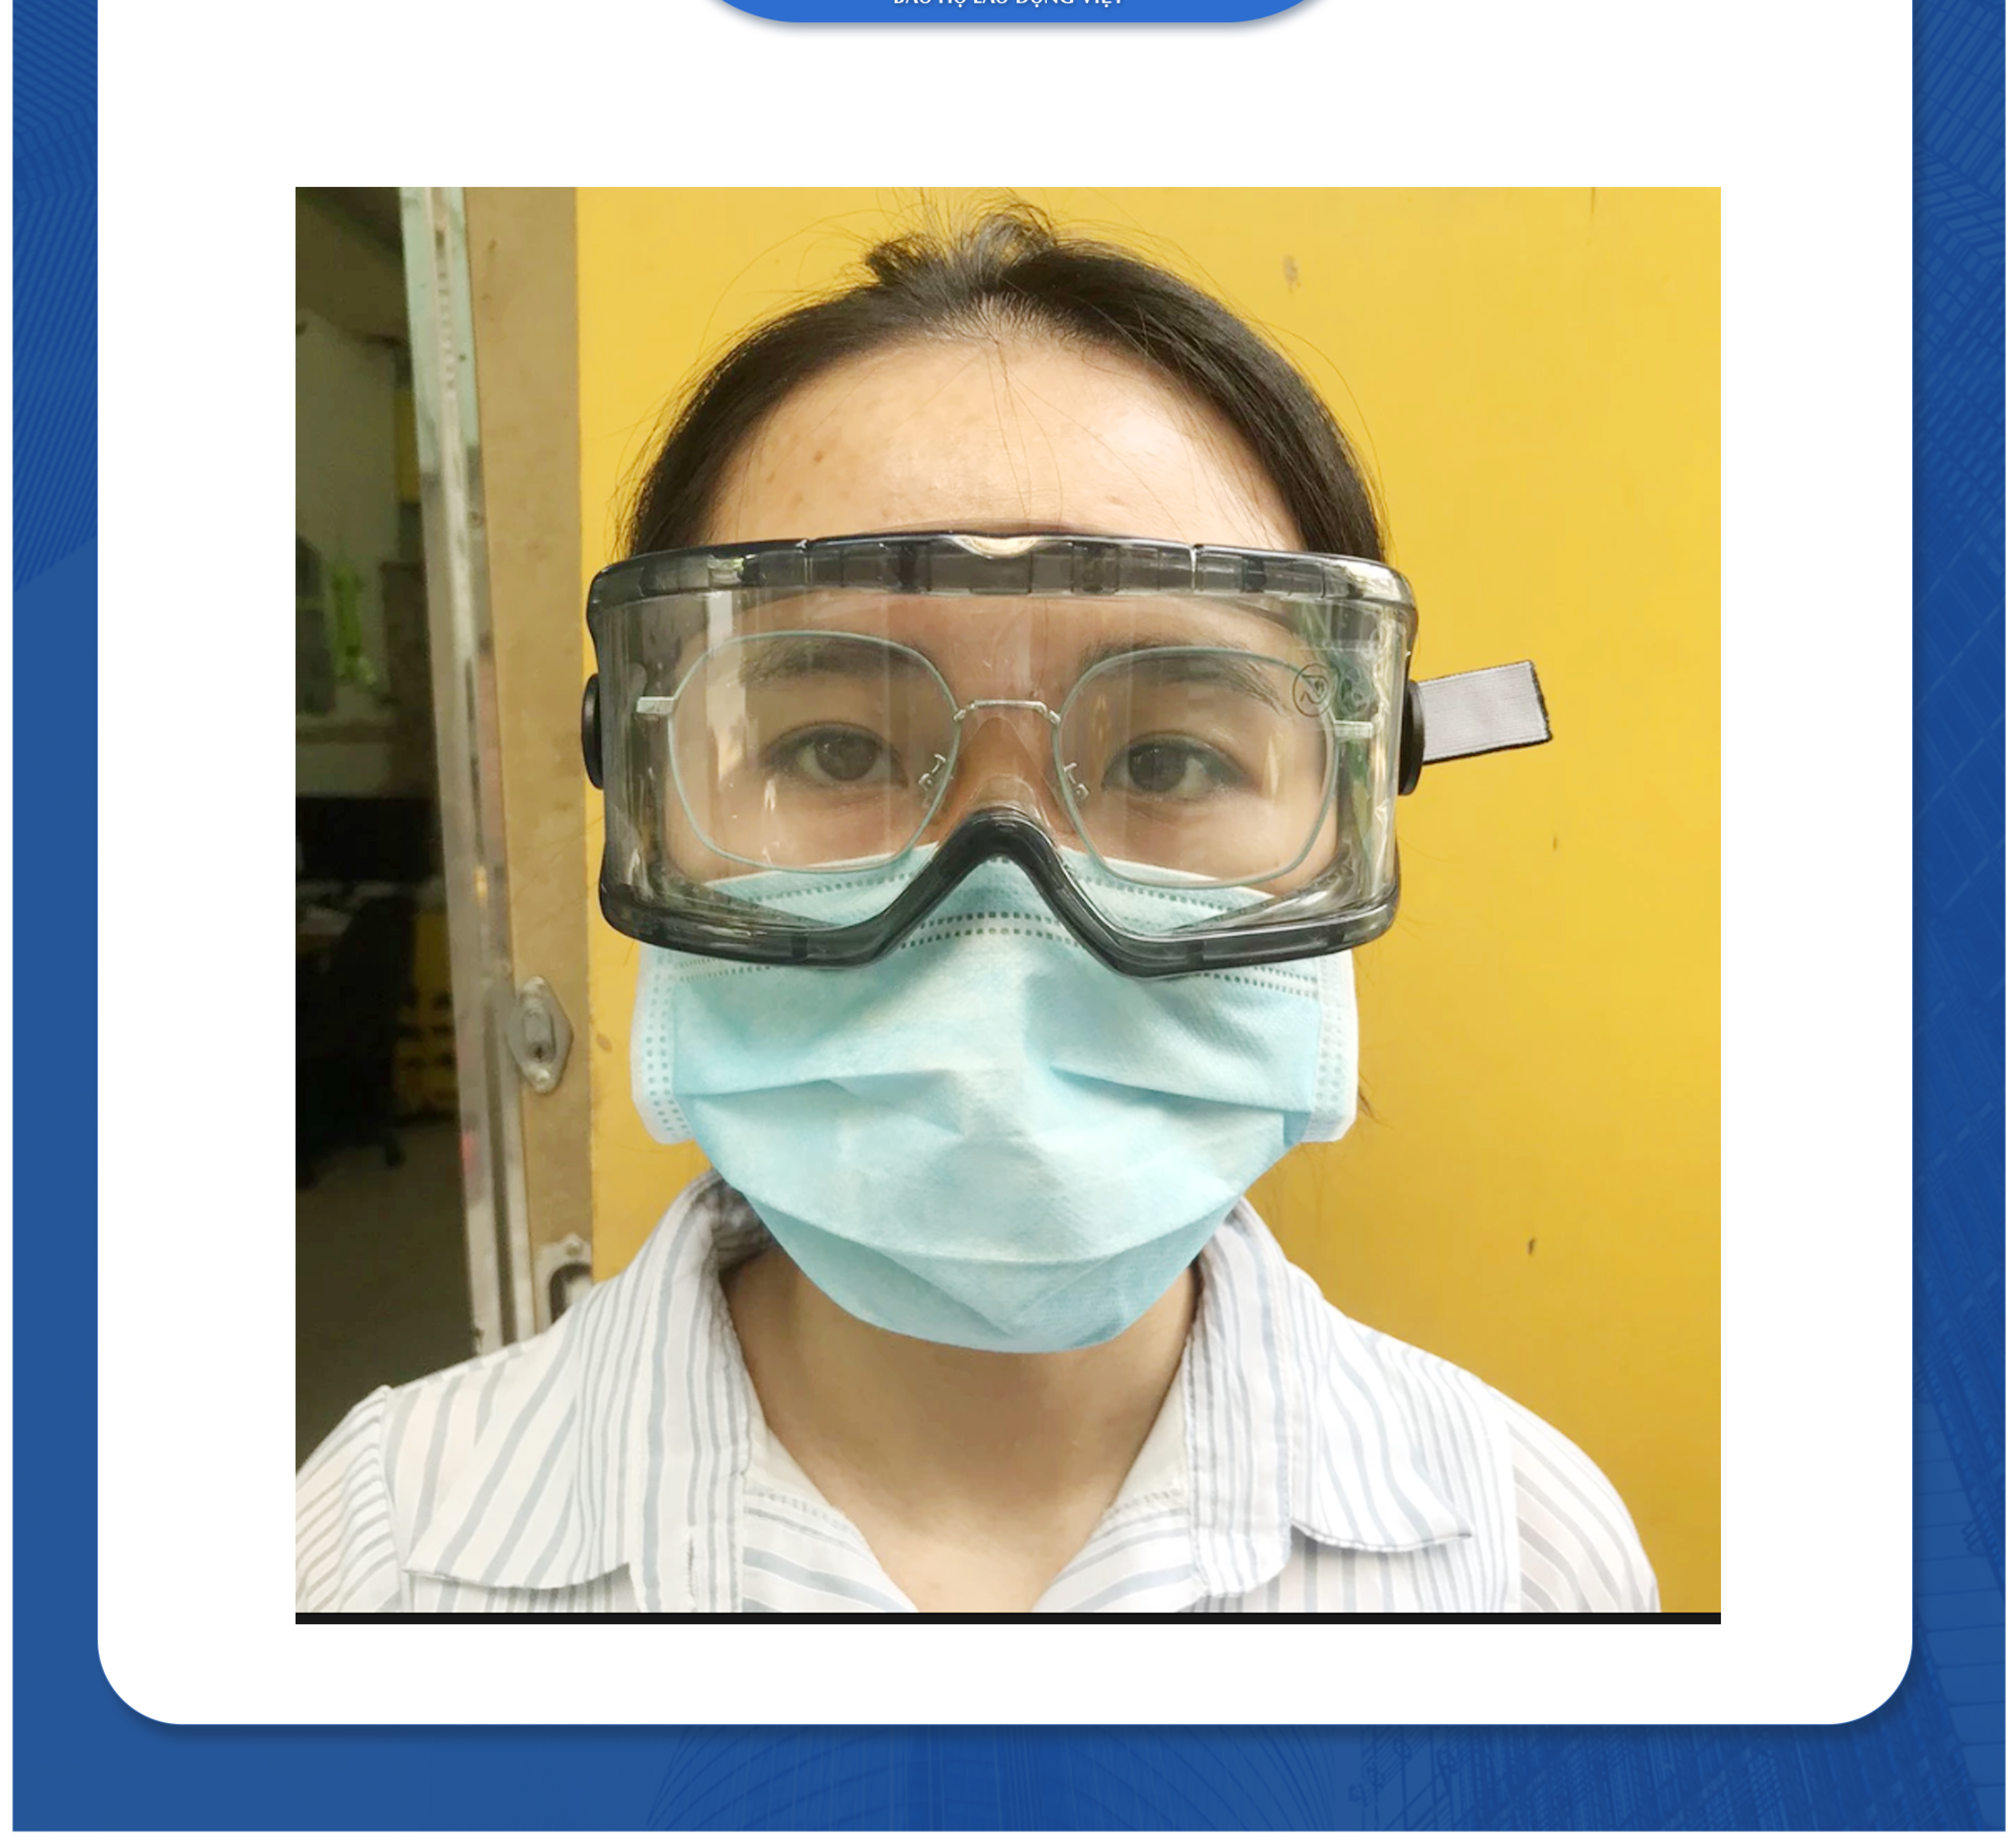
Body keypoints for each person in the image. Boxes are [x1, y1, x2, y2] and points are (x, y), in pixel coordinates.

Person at [297, 207, 1659, 1615]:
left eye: (1168, 760)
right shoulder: (371, 1561)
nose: (1009, 913)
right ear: (640, 769)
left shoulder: (1528, 1562)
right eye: (834, 748)